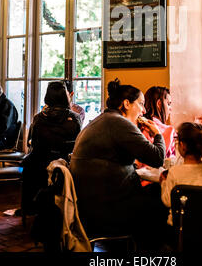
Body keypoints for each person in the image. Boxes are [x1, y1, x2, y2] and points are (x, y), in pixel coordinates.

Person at [70, 78, 168, 249]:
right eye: (141, 104)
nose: (144, 111)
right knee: (164, 202)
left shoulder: (105, 119)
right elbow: (157, 157)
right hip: (107, 209)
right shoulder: (119, 123)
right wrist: (158, 134)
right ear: (126, 104)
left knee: (155, 191)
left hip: (91, 202)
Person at [22, 81, 81, 214]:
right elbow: (77, 144)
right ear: (66, 97)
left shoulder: (39, 118)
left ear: (47, 97)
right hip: (64, 165)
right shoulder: (75, 118)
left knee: (28, 162)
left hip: (39, 164)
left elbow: (31, 142)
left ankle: (30, 206)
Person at [160, 122, 202, 226]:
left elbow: (168, 201)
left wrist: (163, 183)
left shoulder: (174, 172)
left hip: (180, 228)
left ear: (182, 145)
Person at [141, 86, 175, 158]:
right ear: (159, 104)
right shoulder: (169, 131)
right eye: (168, 104)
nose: (170, 109)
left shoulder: (138, 125)